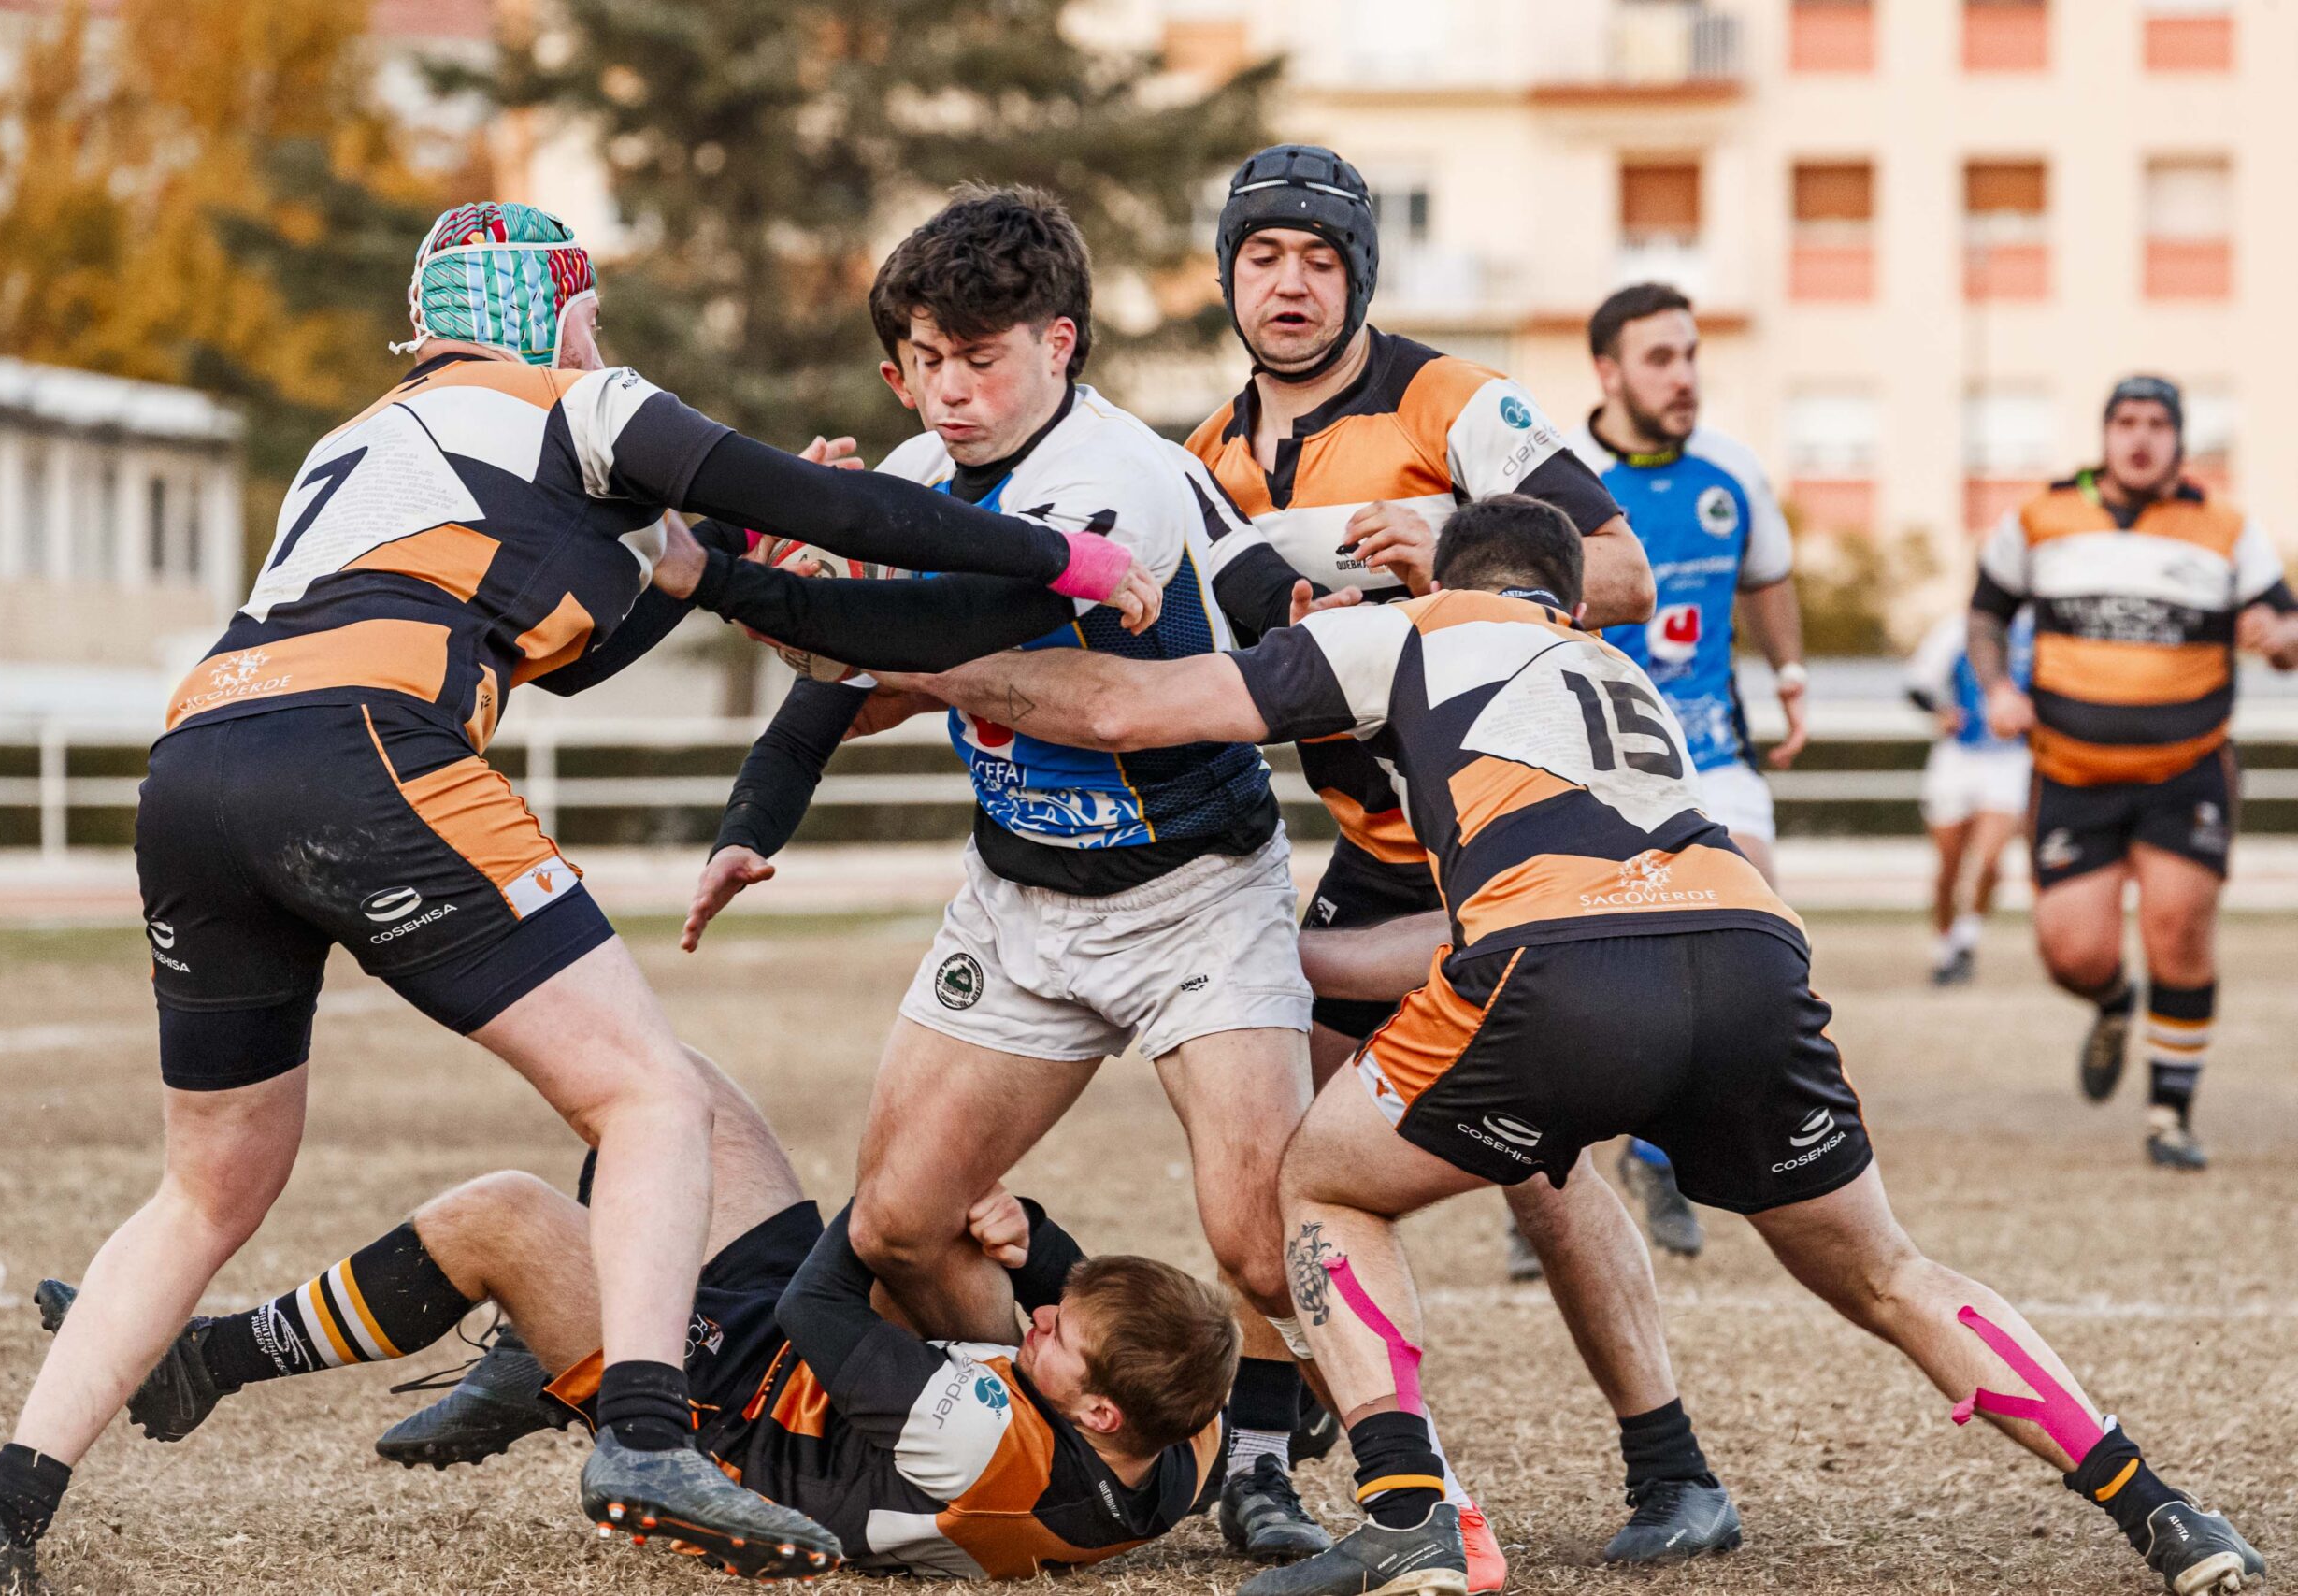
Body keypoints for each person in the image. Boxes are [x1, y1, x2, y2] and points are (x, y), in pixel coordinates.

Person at [0, 200, 1163, 1596]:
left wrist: (693, 553)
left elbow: (576, 649)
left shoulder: (362, 439)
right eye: (591, 316)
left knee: (205, 1187)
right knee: (650, 1095)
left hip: (199, 759)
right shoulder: (582, 401)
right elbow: (839, 507)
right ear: (561, 311)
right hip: (365, 748)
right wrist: (1068, 561)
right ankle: (645, 1431)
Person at [885, 494, 2267, 1596]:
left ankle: (1410, 1514)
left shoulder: (1424, 630)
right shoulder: (1618, 674)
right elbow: (1499, 911)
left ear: (1452, 570)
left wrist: (930, 663)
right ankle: (2164, 1510)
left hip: (1562, 969)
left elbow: (1134, 707)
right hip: (1748, 956)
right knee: (1893, 1270)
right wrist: (1276, 956)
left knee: (1321, 1184)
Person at [673, 186, 1335, 1566]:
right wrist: (756, 815)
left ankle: (1307, 1466)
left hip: (1192, 899)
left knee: (1260, 1236)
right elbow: (847, 675)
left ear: (1062, 343)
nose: (951, 389)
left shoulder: (1117, 480)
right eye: (926, 358)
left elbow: (946, 623)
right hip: (1021, 902)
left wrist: (723, 576)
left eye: (982, 357)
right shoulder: (920, 477)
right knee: (902, 1224)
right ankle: (1063, 1443)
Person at [1182, 144, 1738, 1572]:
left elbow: (1617, 569)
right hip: (1377, 856)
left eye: (1319, 257)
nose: (1290, 283)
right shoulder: (1206, 457)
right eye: (1264, 256)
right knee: (1275, 1150)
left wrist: (1448, 540)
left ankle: (1674, 1465)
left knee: (1541, 1174)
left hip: (1519, 846)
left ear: (1360, 274)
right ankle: (1265, 1457)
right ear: (1230, 272)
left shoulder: (1451, 402)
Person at [26, 1047, 1240, 1580]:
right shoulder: (1183, 1439)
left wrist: (901, 1201)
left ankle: (203, 1363)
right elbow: (1071, 1325)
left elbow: (833, 1284)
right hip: (824, 1376)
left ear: (1089, 1404)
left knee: (502, 1213)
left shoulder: (988, 1433)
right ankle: (531, 1360)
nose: (1041, 1320)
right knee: (666, 1082)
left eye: (1058, 1335)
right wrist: (1034, 1238)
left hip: (736, 1425)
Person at [1972, 375, 2298, 1170]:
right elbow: (1986, 614)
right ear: (2105, 434)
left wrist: (2277, 635)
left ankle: (2169, 1115)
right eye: (2126, 421)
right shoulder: (2041, 517)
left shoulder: (2225, 528)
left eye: (2157, 423)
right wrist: (1995, 688)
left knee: (2178, 928)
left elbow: (2286, 630)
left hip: (2185, 769)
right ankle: (2116, 1003)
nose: (2140, 437)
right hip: (2071, 772)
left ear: (2180, 440)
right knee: (2072, 953)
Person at [1566, 281, 1809, 1260]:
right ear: (1608, 371)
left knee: (1751, 943)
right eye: (1660, 358)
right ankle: (1546, 1185)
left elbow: (1768, 575)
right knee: (1578, 972)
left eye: (1691, 354)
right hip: (1588, 754)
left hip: (1712, 747)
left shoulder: (1732, 473)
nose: (1683, 377)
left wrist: (1789, 674)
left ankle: (1665, 1162)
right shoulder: (1559, 476)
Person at [1903, 610, 2033, 985]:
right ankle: (1944, 946)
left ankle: (1966, 942)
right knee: (1949, 865)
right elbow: (1917, 686)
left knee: (1990, 860)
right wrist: (1940, 711)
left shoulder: (2036, 632)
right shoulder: (1956, 629)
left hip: (2010, 760)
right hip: (1958, 758)